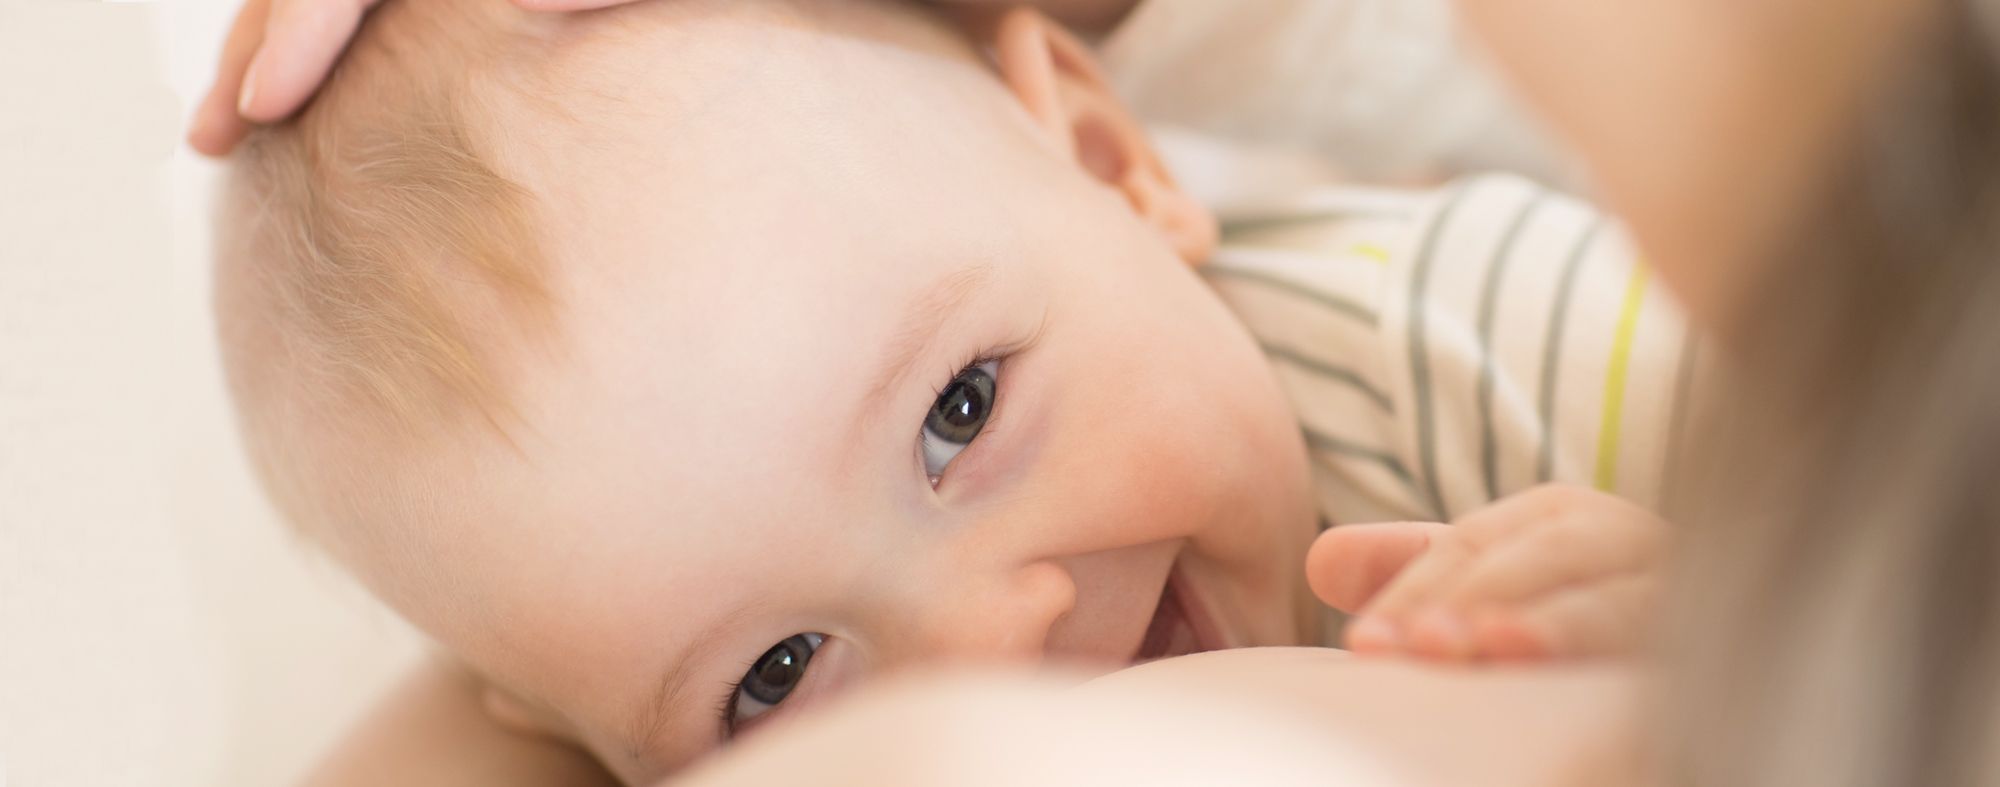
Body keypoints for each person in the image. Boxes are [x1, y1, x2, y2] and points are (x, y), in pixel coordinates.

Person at [201, 0, 1691, 784]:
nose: (984, 645)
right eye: (772, 676)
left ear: (1112, 168)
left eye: (960, 414)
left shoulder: (1495, 337)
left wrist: (1701, 627)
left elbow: (1903, 563)